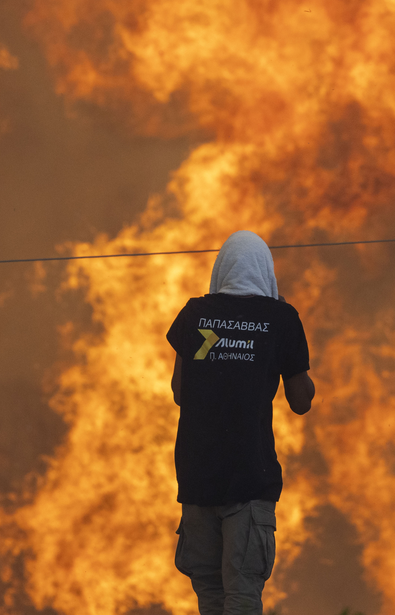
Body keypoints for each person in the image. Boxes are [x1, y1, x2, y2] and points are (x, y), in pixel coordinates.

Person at [166, 230, 315, 615]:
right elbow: (301, 402)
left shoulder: (196, 316)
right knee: (243, 598)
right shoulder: (280, 319)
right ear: (266, 273)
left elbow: (180, 392)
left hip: (198, 483)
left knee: (212, 600)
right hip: (250, 482)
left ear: (220, 271)